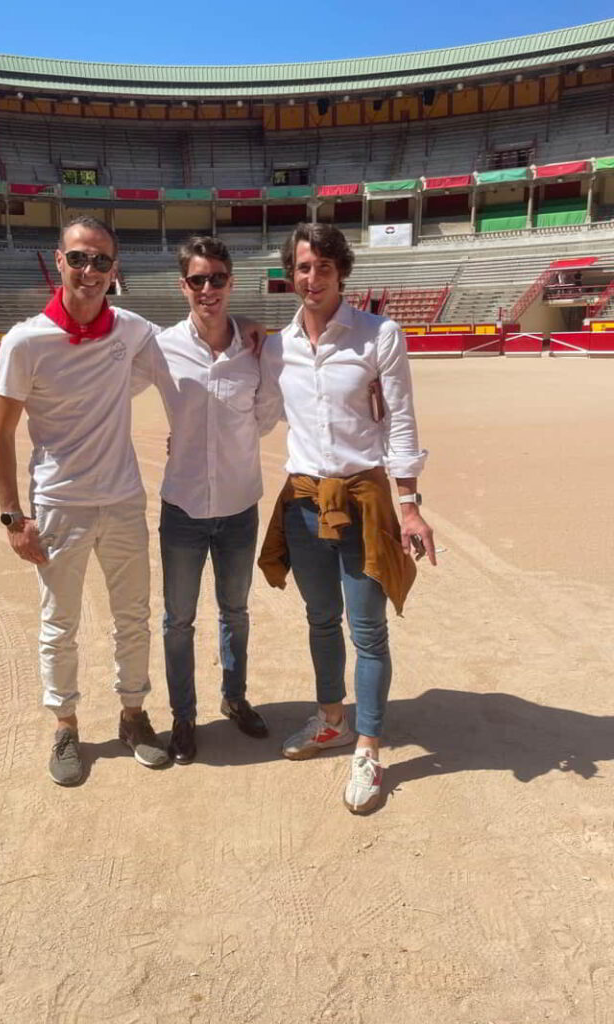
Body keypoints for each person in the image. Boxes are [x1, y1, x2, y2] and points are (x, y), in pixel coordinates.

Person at [257, 223, 436, 815]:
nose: (313, 279)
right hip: (304, 502)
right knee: (319, 619)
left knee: (368, 631)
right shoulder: (277, 345)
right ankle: (331, 719)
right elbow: (253, 411)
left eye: (324, 268)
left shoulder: (378, 335)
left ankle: (368, 748)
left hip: (362, 501)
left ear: (341, 272)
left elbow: (400, 421)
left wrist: (408, 505)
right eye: (303, 267)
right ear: (292, 272)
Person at [0, 215, 170, 786]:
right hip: (59, 504)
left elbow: (191, 347)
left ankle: (133, 715)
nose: (89, 271)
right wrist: (14, 518)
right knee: (58, 622)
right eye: (78, 258)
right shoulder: (25, 341)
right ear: (58, 260)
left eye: (100, 261)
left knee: (133, 617)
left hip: (121, 501)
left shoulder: (133, 330)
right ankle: (65, 725)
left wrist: (250, 329)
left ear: (115, 270)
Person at [132, 236, 275, 764]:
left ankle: (234, 699)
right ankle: (183, 716)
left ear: (231, 282)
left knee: (235, 612)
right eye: (198, 279)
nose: (208, 288)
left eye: (217, 278)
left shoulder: (257, 347)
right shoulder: (160, 346)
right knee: (178, 620)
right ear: (183, 286)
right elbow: (110, 383)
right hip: (184, 507)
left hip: (239, 504)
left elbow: (265, 415)